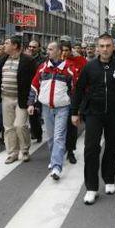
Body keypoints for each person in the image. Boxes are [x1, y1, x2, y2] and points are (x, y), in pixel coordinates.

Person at [71, 34, 115, 205]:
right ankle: (91, 187)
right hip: (94, 113)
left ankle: (109, 179)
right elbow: (79, 90)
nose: (105, 49)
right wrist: (74, 112)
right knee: (91, 148)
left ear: (113, 47)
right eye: (102, 46)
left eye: (108, 45)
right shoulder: (90, 67)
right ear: (97, 47)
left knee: (112, 147)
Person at [28, 42, 75, 180]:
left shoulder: (68, 68)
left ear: (59, 51)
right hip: (46, 107)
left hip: (62, 107)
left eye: (50, 49)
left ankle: (56, 166)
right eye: (47, 49)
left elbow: (74, 90)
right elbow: (34, 86)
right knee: (50, 137)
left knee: (59, 136)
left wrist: (74, 108)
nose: (47, 51)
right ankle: (55, 159)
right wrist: (31, 103)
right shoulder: (43, 68)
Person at [0, 37, 35, 164]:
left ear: (15, 46)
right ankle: (12, 153)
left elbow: (34, 81)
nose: (4, 45)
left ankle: (25, 150)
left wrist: (32, 100)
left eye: (7, 43)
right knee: (8, 127)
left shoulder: (28, 60)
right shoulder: (3, 58)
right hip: (6, 97)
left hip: (21, 98)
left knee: (20, 125)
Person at [61, 39, 87, 164]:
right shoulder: (55, 61)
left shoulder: (79, 61)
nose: (64, 53)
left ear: (71, 50)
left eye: (67, 50)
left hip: (73, 97)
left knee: (71, 125)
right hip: (58, 98)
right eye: (62, 50)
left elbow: (86, 77)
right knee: (60, 128)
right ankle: (59, 150)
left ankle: (70, 150)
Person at [27, 40, 44, 143]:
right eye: (30, 47)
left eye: (34, 47)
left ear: (38, 48)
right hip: (28, 88)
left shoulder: (43, 60)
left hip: (39, 89)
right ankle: (36, 132)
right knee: (31, 113)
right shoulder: (25, 58)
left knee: (36, 112)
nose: (31, 49)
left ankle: (37, 133)